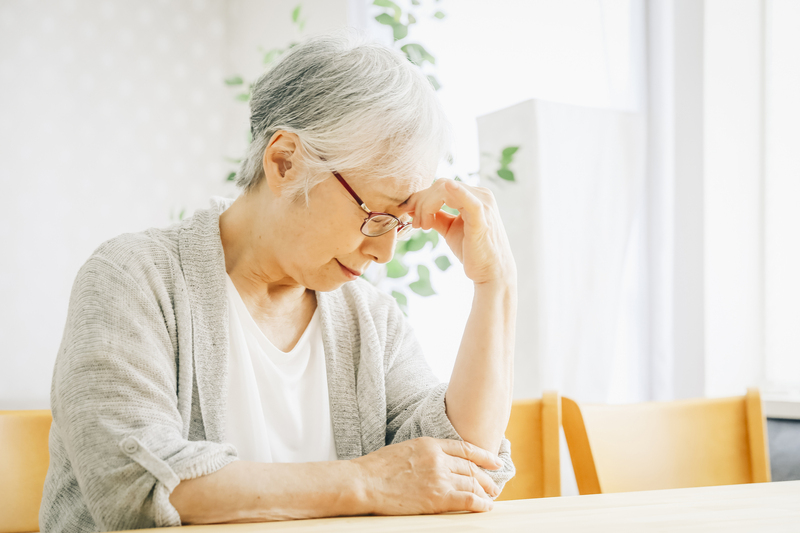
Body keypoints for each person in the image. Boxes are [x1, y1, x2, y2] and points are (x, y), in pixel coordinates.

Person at [40, 31, 517, 531]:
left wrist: (496, 285)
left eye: (399, 224)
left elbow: (462, 468)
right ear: (285, 161)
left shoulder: (371, 319)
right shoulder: (133, 278)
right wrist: (366, 483)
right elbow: (136, 487)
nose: (384, 251)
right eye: (376, 214)